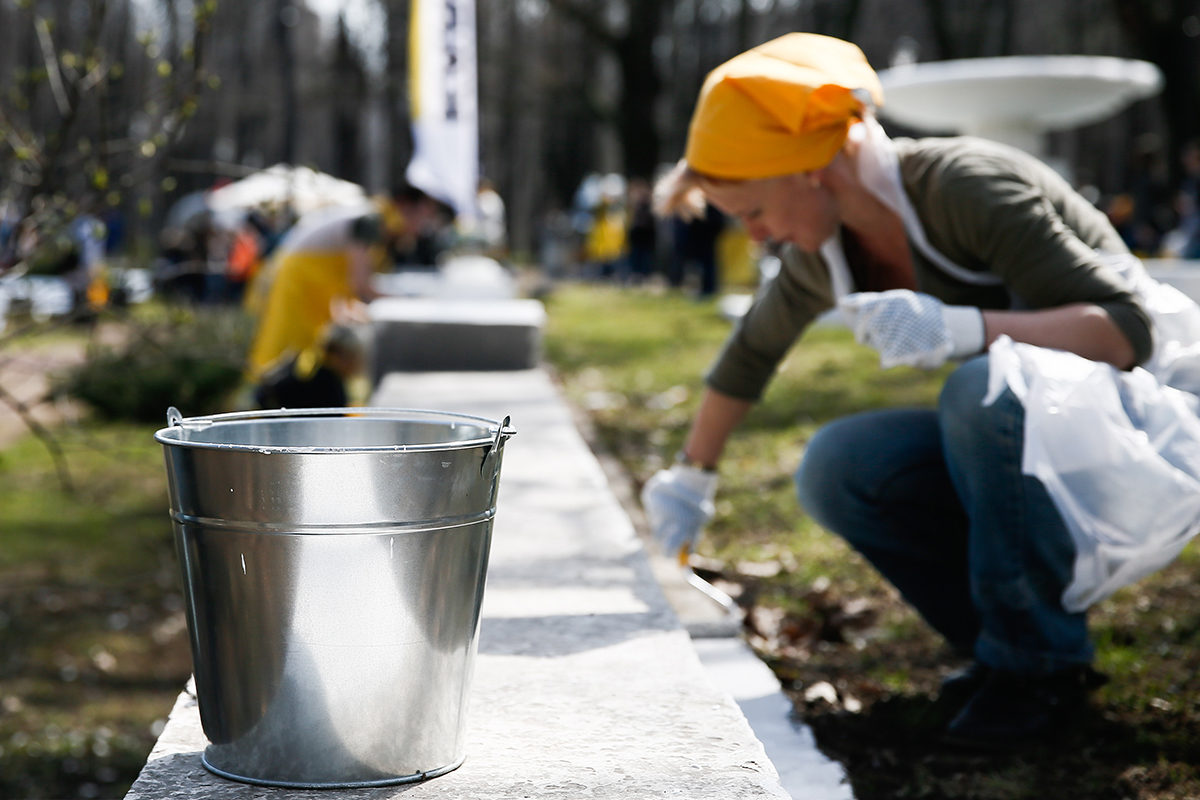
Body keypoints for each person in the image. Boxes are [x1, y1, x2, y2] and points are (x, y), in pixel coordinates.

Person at [642, 32, 1200, 750]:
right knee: (839, 465)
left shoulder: (965, 186)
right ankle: (1007, 647)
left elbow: (1127, 334)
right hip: (1041, 442)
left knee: (980, 387)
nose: (757, 236)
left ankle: (1039, 671)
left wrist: (961, 327)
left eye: (753, 212)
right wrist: (693, 474)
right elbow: (749, 356)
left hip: (1152, 427)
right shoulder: (826, 252)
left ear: (809, 168)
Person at [245, 186, 437, 379]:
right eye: (422, 216)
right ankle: (268, 395)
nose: (423, 225)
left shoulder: (374, 216)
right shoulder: (369, 221)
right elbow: (361, 285)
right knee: (288, 344)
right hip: (300, 283)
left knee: (304, 349)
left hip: (309, 282)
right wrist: (411, 302)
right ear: (404, 206)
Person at [253, 323, 365, 409]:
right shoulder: (330, 384)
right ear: (338, 355)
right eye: (353, 358)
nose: (355, 365)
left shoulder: (306, 358)